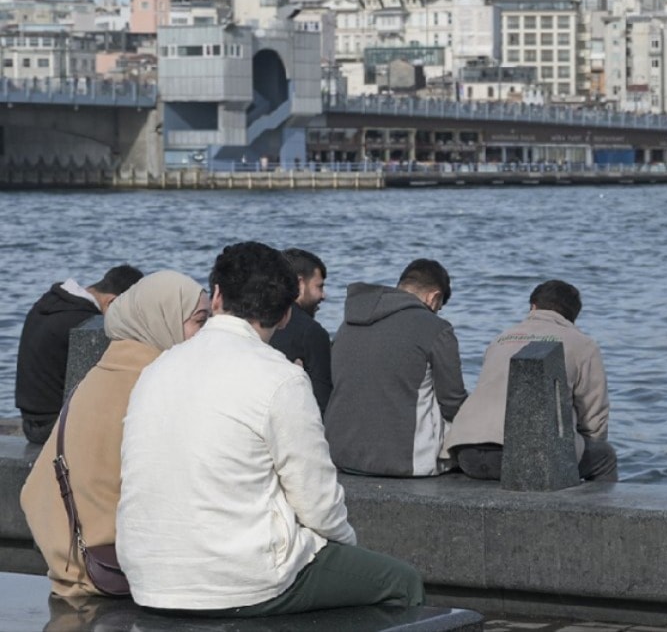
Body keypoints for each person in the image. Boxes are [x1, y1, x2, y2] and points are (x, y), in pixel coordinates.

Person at [117, 242, 423, 615]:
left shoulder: (157, 369)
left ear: (216, 297)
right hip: (241, 583)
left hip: (148, 578)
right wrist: (346, 550)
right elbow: (319, 505)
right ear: (285, 316)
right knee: (400, 582)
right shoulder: (281, 378)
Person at [20, 271, 210, 597]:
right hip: (112, 564)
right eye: (199, 322)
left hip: (67, 553)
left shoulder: (106, 371)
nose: (208, 335)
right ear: (159, 319)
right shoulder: (155, 382)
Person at [444, 280, 618, 482]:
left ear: (533, 307)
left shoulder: (501, 338)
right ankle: (594, 512)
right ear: (573, 317)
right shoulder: (583, 345)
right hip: (525, 458)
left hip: (466, 452)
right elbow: (594, 419)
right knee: (604, 456)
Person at [324, 258, 467, 477]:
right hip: (403, 461)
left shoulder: (348, 323)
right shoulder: (437, 328)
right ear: (434, 297)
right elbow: (452, 403)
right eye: (439, 307)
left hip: (339, 455)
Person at [15, 264, 143, 444]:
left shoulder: (49, 304)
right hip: (55, 429)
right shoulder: (85, 323)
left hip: (31, 423)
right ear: (112, 302)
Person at [268, 248, 332, 412]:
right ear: (299, 284)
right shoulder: (311, 333)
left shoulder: (257, 322)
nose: (324, 295)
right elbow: (324, 404)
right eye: (319, 286)